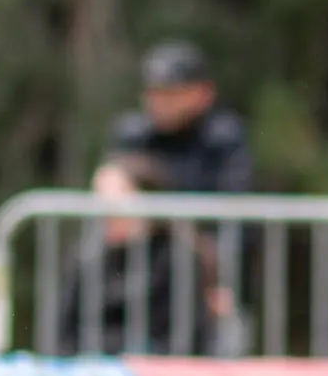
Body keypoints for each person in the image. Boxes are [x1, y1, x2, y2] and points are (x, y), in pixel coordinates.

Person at [108, 40, 254, 347]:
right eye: (154, 92)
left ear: (202, 94)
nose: (159, 102)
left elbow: (235, 220)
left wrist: (222, 282)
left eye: (170, 93)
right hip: (142, 284)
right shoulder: (133, 136)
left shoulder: (223, 141)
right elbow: (111, 210)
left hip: (203, 281)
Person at [55, 154, 216, 356]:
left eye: (117, 194)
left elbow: (187, 337)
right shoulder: (86, 258)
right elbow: (64, 334)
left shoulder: (178, 258)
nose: (104, 207)